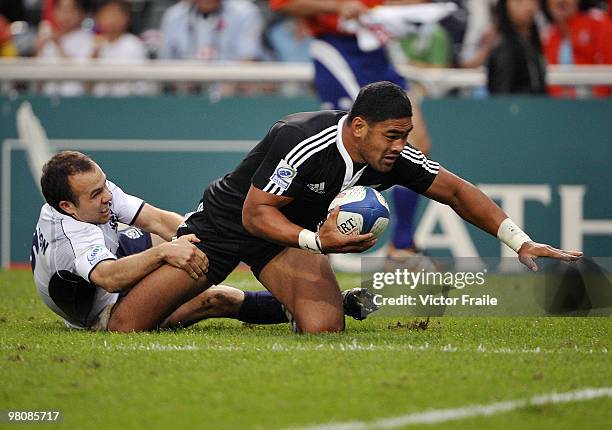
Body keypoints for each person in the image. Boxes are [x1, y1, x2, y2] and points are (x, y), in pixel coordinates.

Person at [112, 81, 582, 334]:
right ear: (358, 127)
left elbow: (457, 192)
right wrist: (318, 241)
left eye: (405, 134)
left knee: (324, 327)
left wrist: (518, 240)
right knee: (129, 328)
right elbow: (255, 215)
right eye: (393, 135)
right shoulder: (301, 138)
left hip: (285, 240)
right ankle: (203, 293)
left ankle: (227, 303)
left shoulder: (391, 158)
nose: (402, 146)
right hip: (226, 226)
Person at [31, 151, 374, 330]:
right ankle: (337, 303)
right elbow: (109, 277)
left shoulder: (94, 195)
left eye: (105, 184)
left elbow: (157, 220)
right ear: (67, 207)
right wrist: (169, 252)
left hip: (110, 260)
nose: (107, 195)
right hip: (101, 309)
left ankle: (293, 287)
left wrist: (212, 243)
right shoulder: (72, 234)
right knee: (214, 298)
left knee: (178, 239)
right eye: (96, 193)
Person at [269, 0, 433, 262]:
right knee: (345, 144)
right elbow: (282, 4)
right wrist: (337, 6)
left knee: (416, 143)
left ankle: (402, 244)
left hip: (376, 47)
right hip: (338, 48)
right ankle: (311, 238)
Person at [541, 0, 612, 97]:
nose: (561, 1)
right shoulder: (546, 36)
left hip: (597, 106)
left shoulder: (598, 23)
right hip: (557, 107)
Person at [90, 0, 153, 96]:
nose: (111, 19)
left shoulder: (133, 44)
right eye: (106, 14)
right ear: (98, 17)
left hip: (127, 100)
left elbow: (139, 83)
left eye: (115, 14)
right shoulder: (94, 44)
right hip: (97, 100)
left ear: (126, 18)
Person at [486, 0, 547, 94]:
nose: (529, 6)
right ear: (506, 6)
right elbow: (502, 94)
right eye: (519, 1)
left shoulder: (532, 42)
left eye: (533, 1)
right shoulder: (504, 48)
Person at [35, 0, 94, 96]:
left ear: (81, 13)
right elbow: (38, 75)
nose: (66, 15)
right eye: (61, 10)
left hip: (75, 96)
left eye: (71, 10)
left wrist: (59, 45)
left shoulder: (86, 39)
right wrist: (39, 49)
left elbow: (80, 72)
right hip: (48, 95)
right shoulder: (47, 37)